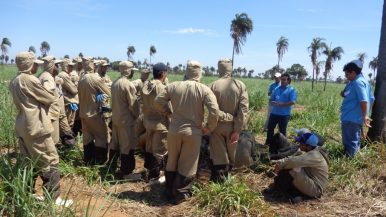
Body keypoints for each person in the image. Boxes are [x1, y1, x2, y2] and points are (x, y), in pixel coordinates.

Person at [9, 51, 72, 207]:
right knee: (50, 159)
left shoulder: (15, 80)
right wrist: (57, 86)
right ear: (30, 64)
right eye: (34, 63)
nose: (37, 65)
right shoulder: (30, 80)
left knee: (29, 161)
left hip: (23, 124)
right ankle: (54, 199)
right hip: (36, 125)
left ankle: (27, 193)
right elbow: (49, 98)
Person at [155, 60, 220, 203]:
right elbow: (214, 111)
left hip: (174, 130)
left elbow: (158, 101)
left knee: (172, 160)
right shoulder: (204, 89)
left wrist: (168, 113)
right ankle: (180, 194)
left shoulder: (173, 86)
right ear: (199, 73)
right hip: (193, 132)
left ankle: (168, 190)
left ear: (186, 72)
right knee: (188, 164)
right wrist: (208, 128)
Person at [208, 58, 249, 182]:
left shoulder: (212, 85)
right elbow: (243, 110)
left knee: (219, 155)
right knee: (232, 154)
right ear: (230, 69)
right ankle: (229, 181)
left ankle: (219, 181)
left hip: (217, 126)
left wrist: (209, 126)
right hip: (233, 127)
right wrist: (237, 130)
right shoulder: (240, 85)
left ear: (219, 69)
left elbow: (210, 109)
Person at [267, 132, 329, 202]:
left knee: (293, 168)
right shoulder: (314, 151)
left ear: (308, 146)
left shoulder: (314, 155)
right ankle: (291, 192)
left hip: (316, 190)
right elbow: (293, 158)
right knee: (293, 167)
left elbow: (291, 161)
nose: (299, 145)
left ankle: (278, 191)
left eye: (301, 144)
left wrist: (276, 169)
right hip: (312, 182)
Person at [109, 61, 140, 179]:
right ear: (128, 70)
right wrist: (136, 115)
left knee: (115, 143)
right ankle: (126, 171)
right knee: (127, 146)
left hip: (116, 118)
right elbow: (133, 104)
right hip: (126, 120)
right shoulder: (128, 85)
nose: (133, 73)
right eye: (132, 70)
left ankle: (111, 166)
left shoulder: (115, 83)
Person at [78, 57, 111, 165]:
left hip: (83, 113)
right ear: (92, 65)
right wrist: (103, 97)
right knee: (101, 137)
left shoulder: (81, 78)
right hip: (94, 113)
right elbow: (108, 92)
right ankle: (100, 162)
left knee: (87, 139)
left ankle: (88, 161)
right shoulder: (94, 78)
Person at [141, 63, 170, 182]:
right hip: (160, 124)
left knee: (149, 148)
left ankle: (149, 173)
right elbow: (168, 107)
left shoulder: (146, 85)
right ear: (163, 73)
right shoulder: (162, 88)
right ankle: (156, 177)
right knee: (160, 151)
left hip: (148, 122)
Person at [341, 60, 374, 157]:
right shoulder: (359, 82)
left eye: (347, 74)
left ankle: (350, 160)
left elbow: (364, 100)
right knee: (354, 140)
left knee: (350, 141)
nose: (346, 76)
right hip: (352, 117)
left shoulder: (358, 83)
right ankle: (351, 157)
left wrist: (364, 116)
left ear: (353, 72)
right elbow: (371, 98)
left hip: (351, 117)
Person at [265, 73, 297, 153]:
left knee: (282, 131)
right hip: (274, 113)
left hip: (284, 115)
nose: (282, 81)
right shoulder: (276, 89)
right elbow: (271, 98)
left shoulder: (291, 90)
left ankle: (282, 147)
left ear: (288, 81)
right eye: (281, 79)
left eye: (284, 80)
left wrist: (281, 104)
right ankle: (268, 144)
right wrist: (272, 102)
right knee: (270, 129)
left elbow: (292, 102)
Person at [39, 56, 62, 146]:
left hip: (50, 113)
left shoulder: (45, 76)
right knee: (52, 141)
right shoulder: (47, 77)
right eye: (57, 65)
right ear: (52, 65)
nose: (58, 67)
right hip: (50, 114)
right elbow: (47, 97)